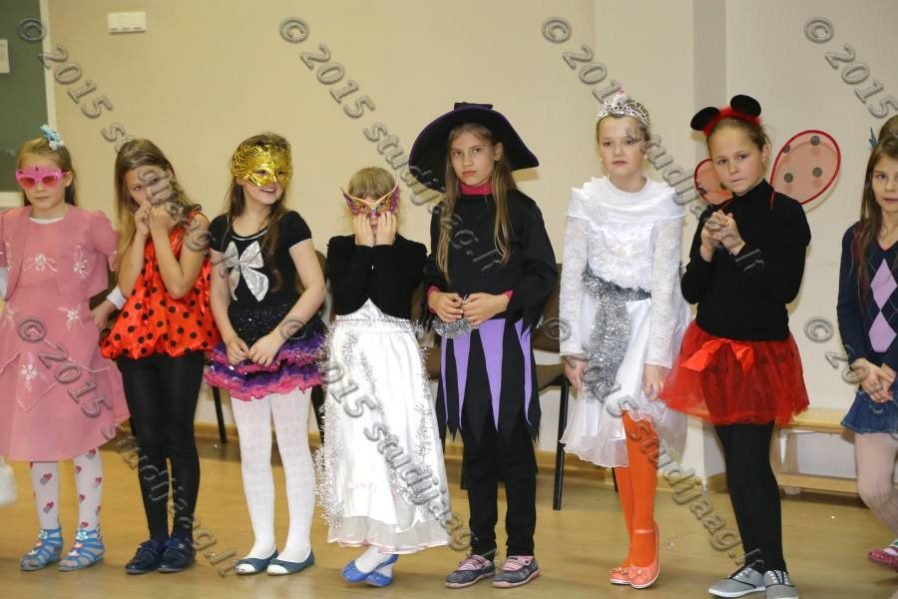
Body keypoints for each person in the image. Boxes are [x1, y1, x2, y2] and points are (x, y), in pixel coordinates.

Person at [661, 95, 810, 599]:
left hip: (760, 356)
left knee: (750, 461)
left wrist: (741, 246)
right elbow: (692, 291)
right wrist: (706, 249)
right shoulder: (714, 213)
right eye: (721, 161)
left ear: (763, 153)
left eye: (741, 156)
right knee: (736, 463)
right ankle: (755, 565)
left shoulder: (785, 214)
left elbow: (783, 288)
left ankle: (776, 568)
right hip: (715, 353)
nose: (732, 168)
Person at [410, 102, 557, 589]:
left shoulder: (520, 210)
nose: (466, 161)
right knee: (475, 451)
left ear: (497, 152)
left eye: (476, 151)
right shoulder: (444, 214)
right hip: (460, 351)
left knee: (513, 449)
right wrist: (435, 297)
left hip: (505, 347)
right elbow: (432, 272)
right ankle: (480, 550)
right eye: (457, 154)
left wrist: (501, 301)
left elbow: (541, 274)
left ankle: (522, 551)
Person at [559, 92, 689, 589]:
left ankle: (644, 537)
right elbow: (572, 275)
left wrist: (658, 357)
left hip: (651, 319)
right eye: (609, 142)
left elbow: (666, 282)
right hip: (604, 320)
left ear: (646, 148)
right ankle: (637, 536)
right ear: (599, 149)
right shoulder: (585, 199)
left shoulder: (664, 202)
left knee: (639, 423)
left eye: (629, 142)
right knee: (617, 425)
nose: (618, 151)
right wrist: (572, 346)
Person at [317, 166, 450, 587]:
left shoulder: (411, 251)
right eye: (363, 206)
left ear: (395, 205)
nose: (372, 214)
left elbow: (391, 301)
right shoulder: (340, 247)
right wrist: (365, 249)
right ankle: (384, 548)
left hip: (392, 354)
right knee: (359, 447)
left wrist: (385, 249)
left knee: (395, 443)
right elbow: (350, 298)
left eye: (381, 205)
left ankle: (384, 547)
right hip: (351, 353)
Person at [1, 127, 127, 571]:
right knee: (38, 443)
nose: (38, 187)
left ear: (67, 178)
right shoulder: (10, 223)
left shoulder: (89, 222)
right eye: (28, 178)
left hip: (73, 350)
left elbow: (130, 266)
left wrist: (109, 306)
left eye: (48, 178)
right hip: (24, 351)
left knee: (81, 442)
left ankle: (89, 534)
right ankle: (49, 533)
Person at [205, 133, 326, 576]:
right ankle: (263, 541)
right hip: (242, 349)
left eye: (280, 171)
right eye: (261, 171)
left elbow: (315, 287)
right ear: (240, 176)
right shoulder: (220, 228)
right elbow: (219, 291)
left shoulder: (290, 225)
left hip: (287, 345)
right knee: (253, 448)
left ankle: (298, 545)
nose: (272, 179)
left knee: (292, 444)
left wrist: (278, 337)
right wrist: (227, 335)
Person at [101, 138, 219, 574]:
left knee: (177, 437)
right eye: (136, 188)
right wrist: (140, 234)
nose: (146, 193)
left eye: (152, 181)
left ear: (168, 173)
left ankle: (182, 537)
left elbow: (179, 285)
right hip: (137, 340)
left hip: (181, 339)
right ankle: (156, 538)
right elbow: (128, 287)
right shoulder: (136, 227)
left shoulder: (196, 222)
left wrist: (159, 233)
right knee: (148, 441)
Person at [837, 135, 898, 573]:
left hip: (890, 371)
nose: (890, 187)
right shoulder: (856, 237)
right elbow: (847, 307)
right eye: (881, 176)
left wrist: (890, 366)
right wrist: (861, 363)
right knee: (872, 488)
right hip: (873, 379)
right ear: (869, 181)